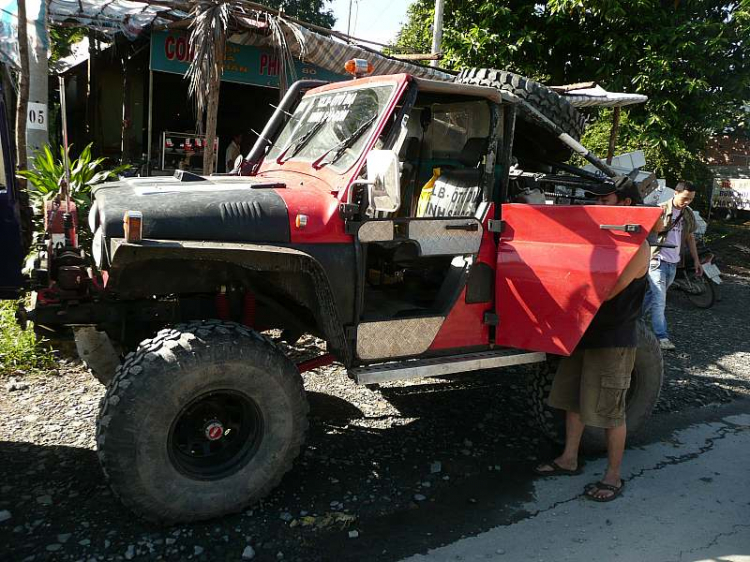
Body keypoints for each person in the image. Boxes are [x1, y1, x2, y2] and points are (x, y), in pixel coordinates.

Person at [534, 177, 650, 502]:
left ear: (625, 204)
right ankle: (569, 459)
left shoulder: (637, 245)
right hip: (582, 331)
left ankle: (613, 476)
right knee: (573, 401)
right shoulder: (599, 237)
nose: (597, 203)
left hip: (613, 338)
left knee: (611, 410)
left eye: (605, 198)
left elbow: (608, 290)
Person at [643, 181, 702, 350]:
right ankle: (662, 336)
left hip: (673, 263)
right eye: (685, 198)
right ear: (675, 193)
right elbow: (646, 235)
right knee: (660, 299)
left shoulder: (688, 214)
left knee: (653, 295)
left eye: (690, 199)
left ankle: (634, 320)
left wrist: (696, 261)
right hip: (657, 260)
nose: (687, 202)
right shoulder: (660, 210)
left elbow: (690, 238)